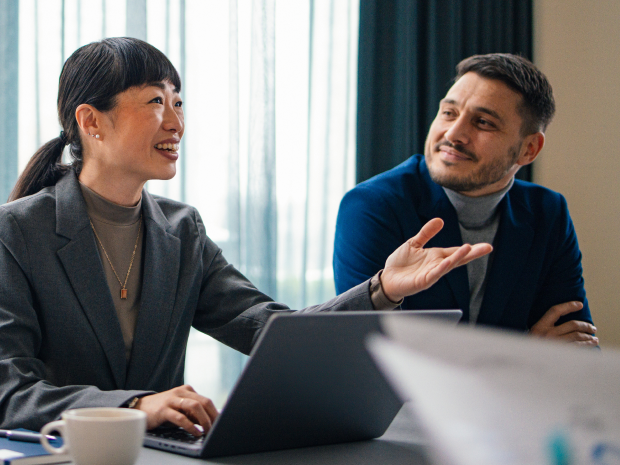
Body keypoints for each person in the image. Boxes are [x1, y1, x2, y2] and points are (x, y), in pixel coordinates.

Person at [0, 38, 491, 435]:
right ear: (91, 121)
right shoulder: (16, 232)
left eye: (178, 102)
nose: (176, 123)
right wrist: (135, 405)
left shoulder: (181, 230)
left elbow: (269, 329)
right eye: (155, 101)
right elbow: (11, 390)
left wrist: (382, 288)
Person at [333, 53, 598, 346]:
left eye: (483, 122)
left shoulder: (548, 212)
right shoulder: (372, 206)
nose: (454, 133)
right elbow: (368, 354)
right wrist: (525, 350)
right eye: (448, 113)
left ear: (529, 149)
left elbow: (578, 347)